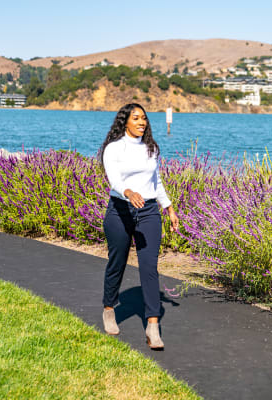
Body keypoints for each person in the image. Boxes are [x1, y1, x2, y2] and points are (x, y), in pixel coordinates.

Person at [98, 103, 179, 349]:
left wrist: (169, 207)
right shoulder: (114, 148)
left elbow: (157, 180)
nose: (142, 122)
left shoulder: (151, 148)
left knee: (149, 267)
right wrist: (128, 191)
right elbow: (113, 178)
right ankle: (109, 308)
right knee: (117, 261)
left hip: (148, 212)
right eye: (136, 118)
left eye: (144, 118)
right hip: (120, 210)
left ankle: (152, 326)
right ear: (125, 122)